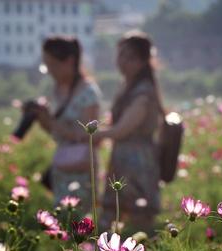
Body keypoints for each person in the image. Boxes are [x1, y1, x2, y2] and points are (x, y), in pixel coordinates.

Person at [92, 32, 165, 234]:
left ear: (143, 61)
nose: (122, 62)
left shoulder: (143, 91)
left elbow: (124, 129)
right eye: (120, 56)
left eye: (129, 57)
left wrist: (95, 135)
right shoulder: (128, 86)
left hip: (138, 161)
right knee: (114, 214)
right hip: (122, 157)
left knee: (138, 218)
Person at [29, 36, 101, 214]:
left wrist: (53, 123)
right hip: (61, 168)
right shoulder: (57, 89)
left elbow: (88, 136)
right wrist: (43, 119)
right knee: (61, 221)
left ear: (69, 61)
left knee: (80, 223)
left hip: (81, 169)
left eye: (52, 65)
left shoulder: (88, 93)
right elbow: (57, 133)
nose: (49, 71)